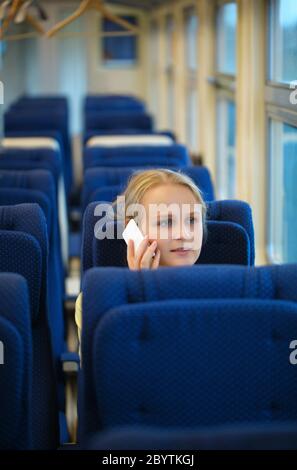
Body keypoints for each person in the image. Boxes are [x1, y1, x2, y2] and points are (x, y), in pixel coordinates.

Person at [75, 169, 207, 351]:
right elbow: (111, 373)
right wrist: (141, 295)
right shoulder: (96, 301)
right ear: (133, 229)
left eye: (192, 220)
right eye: (166, 222)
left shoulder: (226, 292)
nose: (184, 235)